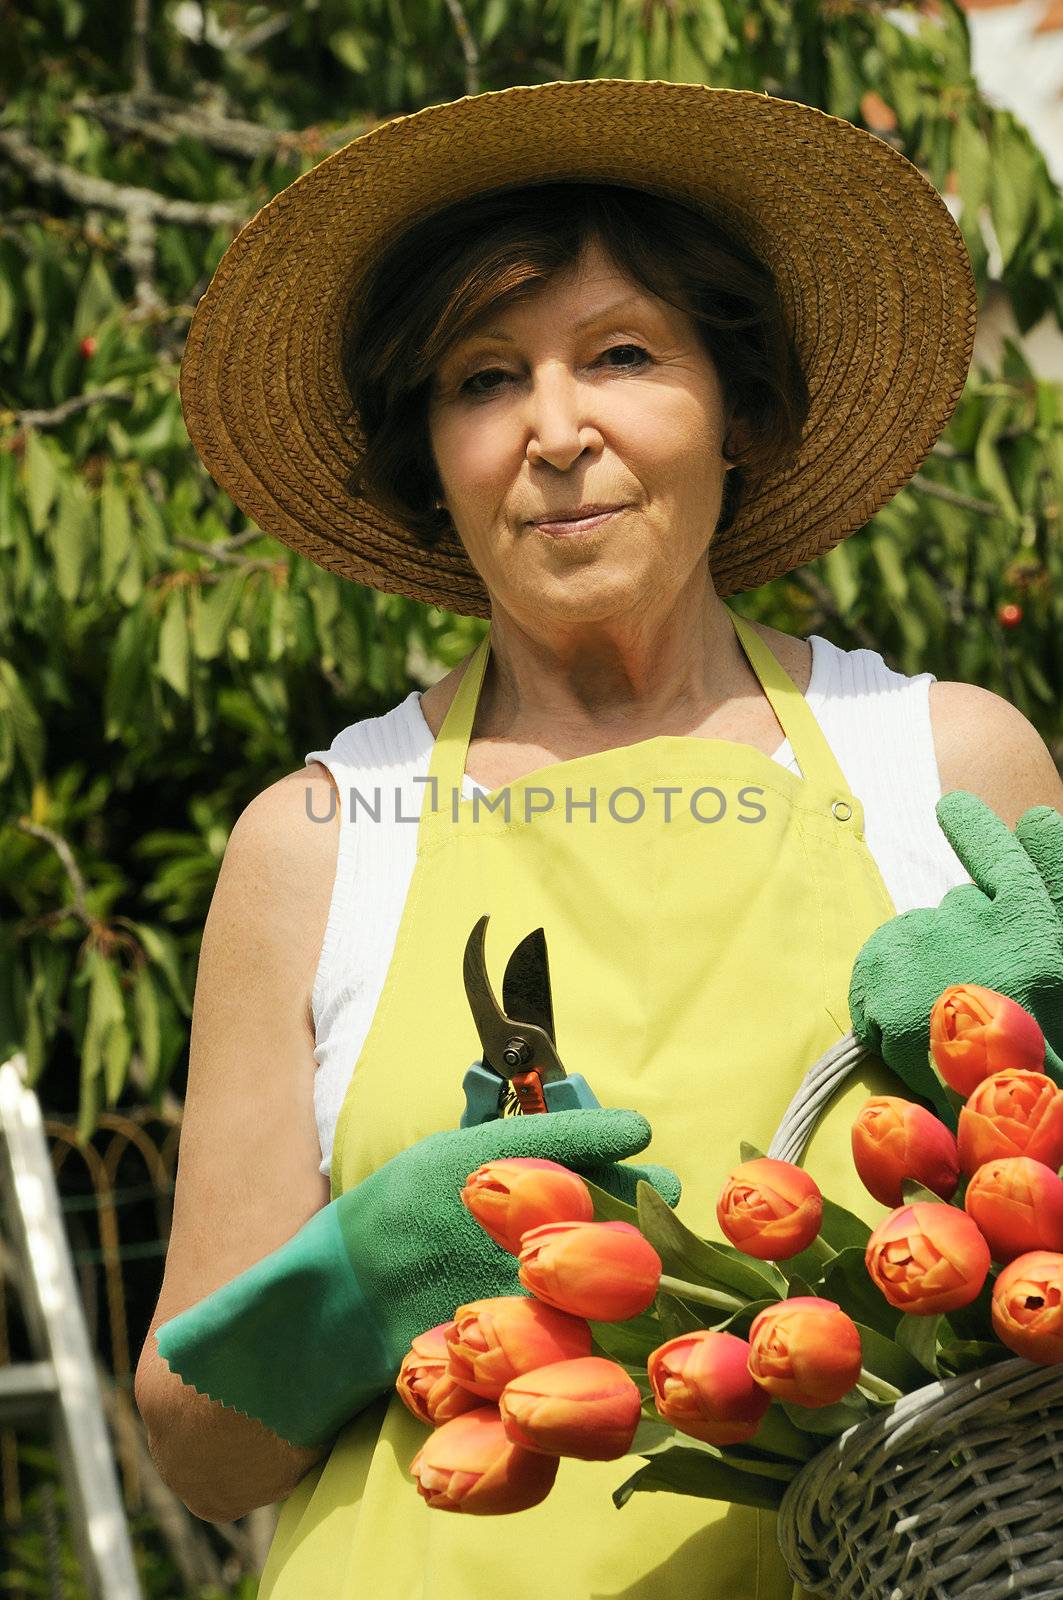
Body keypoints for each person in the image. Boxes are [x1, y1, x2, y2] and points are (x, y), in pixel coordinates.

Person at [136, 78, 1063, 1599]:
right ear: (429, 459)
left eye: (623, 356)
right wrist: (368, 1279)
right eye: (483, 380)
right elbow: (197, 1451)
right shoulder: (314, 842)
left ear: (738, 410)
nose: (557, 432)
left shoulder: (942, 767)